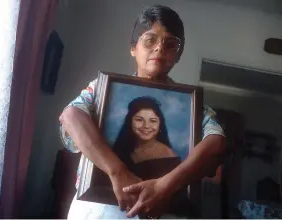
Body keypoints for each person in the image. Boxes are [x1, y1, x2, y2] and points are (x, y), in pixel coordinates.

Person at [59, 4, 225, 219]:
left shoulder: (193, 106)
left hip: (162, 212)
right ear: (133, 48)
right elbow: (71, 116)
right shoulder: (101, 90)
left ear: (178, 55)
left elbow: (217, 142)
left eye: (170, 44)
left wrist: (165, 186)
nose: (159, 49)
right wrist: (118, 172)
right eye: (150, 40)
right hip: (97, 210)